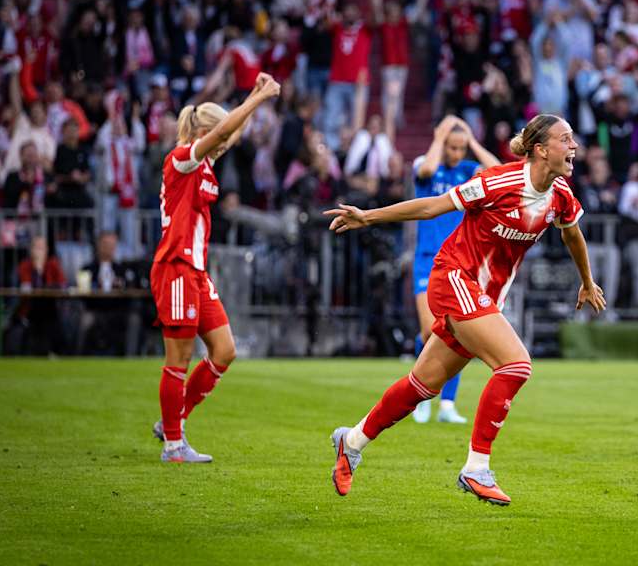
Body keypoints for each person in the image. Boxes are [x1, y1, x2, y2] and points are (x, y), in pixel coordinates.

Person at [326, 114, 606, 505]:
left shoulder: (559, 194)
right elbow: (433, 208)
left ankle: (351, 442)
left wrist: (587, 281)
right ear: (542, 150)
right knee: (516, 364)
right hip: (453, 278)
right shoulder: (499, 182)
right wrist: (368, 216)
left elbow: (572, 233)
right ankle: (476, 467)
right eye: (566, 139)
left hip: (483, 298)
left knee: (421, 386)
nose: (575, 146)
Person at [149, 73, 281, 463]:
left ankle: (172, 420)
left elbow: (230, 132)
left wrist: (255, 94)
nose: (225, 140)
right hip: (175, 267)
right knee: (179, 358)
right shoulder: (182, 159)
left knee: (224, 351)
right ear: (205, 130)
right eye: (219, 131)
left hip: (196, 272)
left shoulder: (204, 163)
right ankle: (174, 445)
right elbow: (226, 129)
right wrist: (259, 99)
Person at [410, 115, 501, 424]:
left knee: (459, 332)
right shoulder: (428, 164)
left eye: (462, 148)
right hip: (427, 258)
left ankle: (447, 405)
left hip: (462, 262)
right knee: (429, 330)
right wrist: (439, 136)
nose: (457, 154)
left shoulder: (466, 171)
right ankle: (421, 397)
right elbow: (424, 170)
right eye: (453, 146)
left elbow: (497, 171)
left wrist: (473, 141)